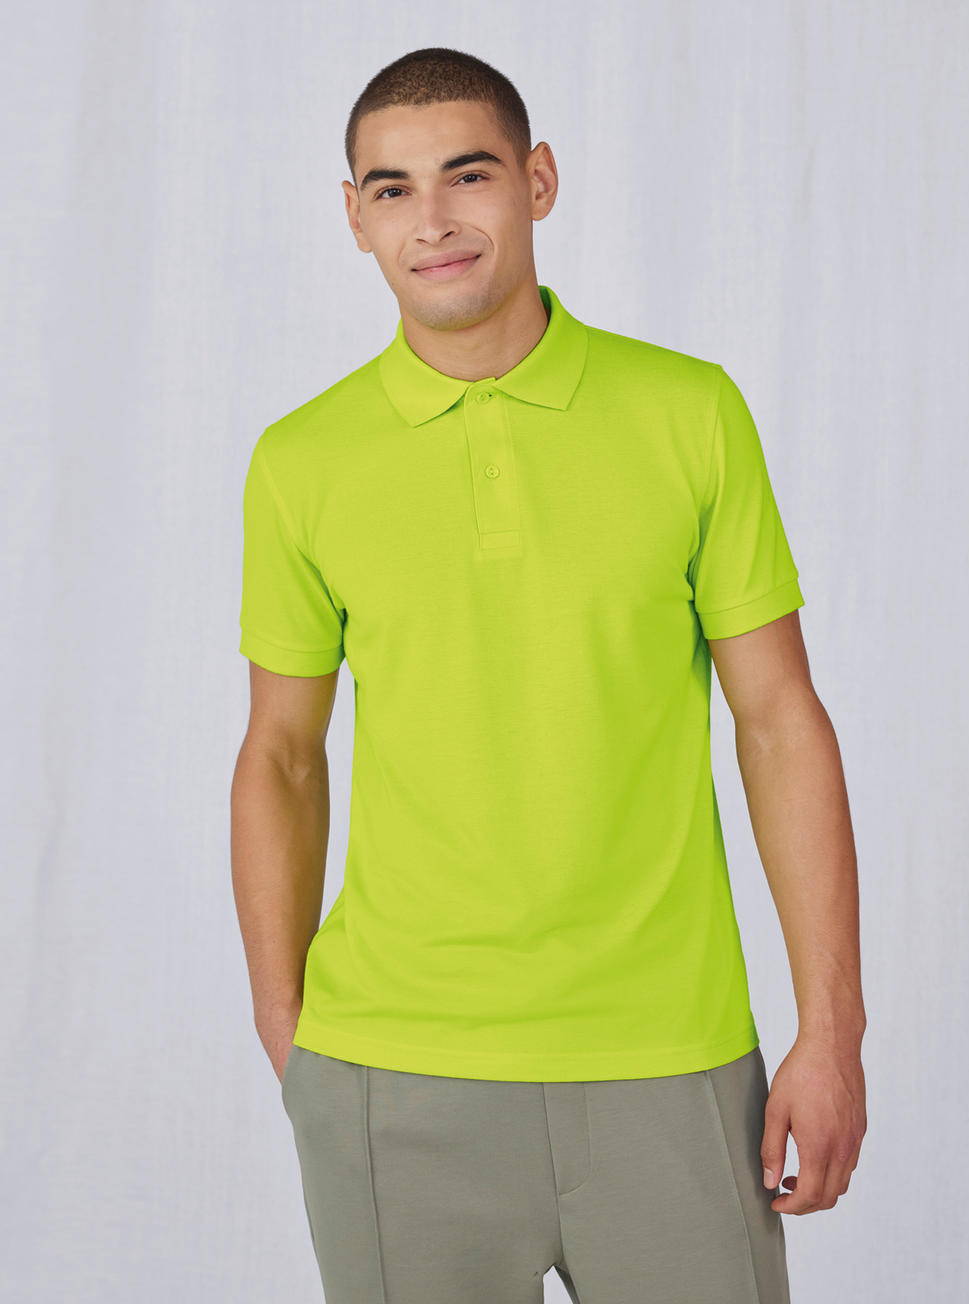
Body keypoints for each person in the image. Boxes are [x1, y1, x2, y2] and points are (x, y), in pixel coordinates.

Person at [230, 45, 867, 1304]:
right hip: (390, 1067)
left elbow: (780, 720)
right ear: (354, 216)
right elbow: (281, 754)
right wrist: (286, 1026)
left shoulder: (688, 412)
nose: (433, 218)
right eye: (393, 188)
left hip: (672, 1060)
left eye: (467, 175)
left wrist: (832, 1027)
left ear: (537, 181)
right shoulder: (301, 460)